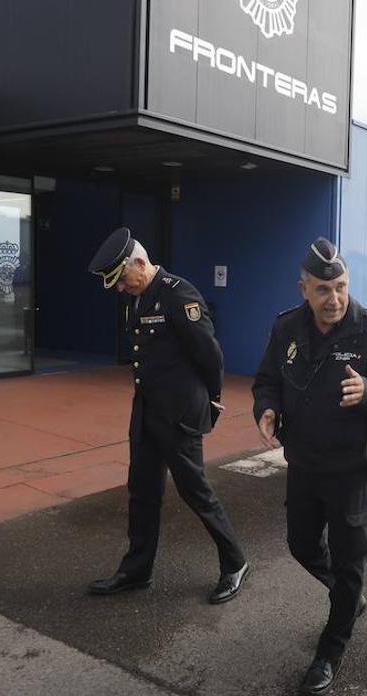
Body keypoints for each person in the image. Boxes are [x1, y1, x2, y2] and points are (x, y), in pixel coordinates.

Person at [252, 237, 367, 696]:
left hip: (352, 469)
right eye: (323, 290)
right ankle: (350, 597)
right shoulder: (287, 327)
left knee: (350, 562)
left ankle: (331, 648)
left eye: (341, 287)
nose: (334, 299)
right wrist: (265, 409)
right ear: (304, 289)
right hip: (304, 462)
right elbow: (267, 380)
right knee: (301, 544)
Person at [85, 228, 249, 604]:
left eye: (123, 280)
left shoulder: (179, 294)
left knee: (196, 492)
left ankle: (234, 562)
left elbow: (210, 355)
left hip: (179, 414)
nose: (121, 289)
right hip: (146, 412)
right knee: (142, 493)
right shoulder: (136, 297)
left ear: (140, 264)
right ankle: (136, 570)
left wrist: (215, 398)